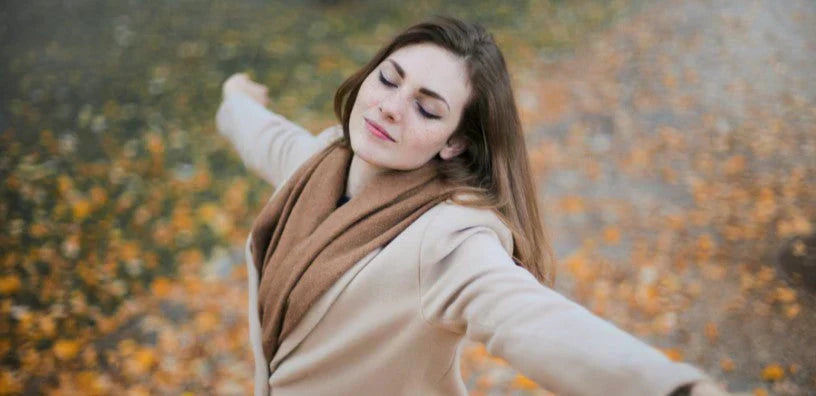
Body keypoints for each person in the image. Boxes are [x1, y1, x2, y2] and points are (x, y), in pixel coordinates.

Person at [215, 15, 734, 396]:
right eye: (389, 78)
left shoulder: (449, 236)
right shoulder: (319, 161)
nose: (390, 108)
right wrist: (235, 97)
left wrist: (672, 389)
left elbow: (526, 317)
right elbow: (267, 138)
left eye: (425, 107)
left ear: (454, 143)